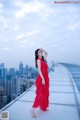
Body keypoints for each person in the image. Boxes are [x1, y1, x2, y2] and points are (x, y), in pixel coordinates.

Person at [31, 48, 50, 118]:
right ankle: (32, 109)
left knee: (45, 93)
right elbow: (39, 70)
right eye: (39, 52)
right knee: (40, 94)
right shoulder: (38, 60)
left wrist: (42, 49)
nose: (41, 53)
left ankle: (43, 107)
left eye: (41, 52)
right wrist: (42, 79)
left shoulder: (43, 60)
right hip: (42, 78)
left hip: (46, 78)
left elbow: (47, 53)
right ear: (37, 54)